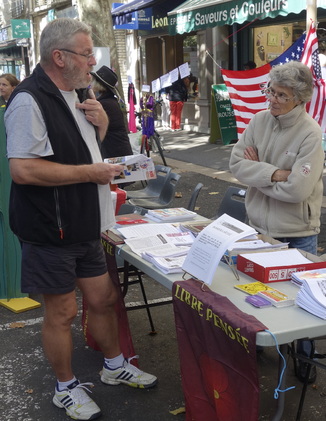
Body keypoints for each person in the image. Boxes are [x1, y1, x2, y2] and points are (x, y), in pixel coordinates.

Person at [5, 18, 157, 421]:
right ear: (60, 57)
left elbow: (90, 152)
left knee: (104, 299)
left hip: (87, 224)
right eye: (87, 53)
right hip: (50, 229)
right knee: (62, 312)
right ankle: (65, 388)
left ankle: (113, 366)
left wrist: (103, 126)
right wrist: (89, 174)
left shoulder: (77, 91)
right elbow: (23, 170)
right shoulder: (28, 100)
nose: (94, 61)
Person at [229, 61, 324, 383]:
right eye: (270, 90)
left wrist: (258, 173)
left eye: (281, 94)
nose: (272, 99)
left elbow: (298, 190)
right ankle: (256, 345)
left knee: (302, 305)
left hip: (297, 232)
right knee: (255, 295)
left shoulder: (312, 134)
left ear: (300, 98)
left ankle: (305, 360)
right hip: (257, 226)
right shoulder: (258, 121)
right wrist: (274, 173)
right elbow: (235, 163)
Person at [91, 65, 133, 159]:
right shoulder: (108, 101)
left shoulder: (105, 104)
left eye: (93, 81)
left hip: (116, 154)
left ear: (98, 84)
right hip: (117, 152)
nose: (91, 84)